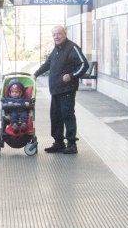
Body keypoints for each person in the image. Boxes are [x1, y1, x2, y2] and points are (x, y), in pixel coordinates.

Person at [34, 25, 89, 154]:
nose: (56, 37)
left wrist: (71, 76)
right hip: (56, 90)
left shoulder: (72, 48)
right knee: (56, 116)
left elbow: (84, 64)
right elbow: (48, 64)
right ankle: (58, 142)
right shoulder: (56, 49)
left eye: (59, 34)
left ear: (65, 34)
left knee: (67, 116)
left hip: (67, 90)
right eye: (54, 35)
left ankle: (71, 144)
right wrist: (36, 74)